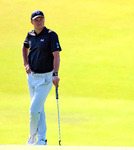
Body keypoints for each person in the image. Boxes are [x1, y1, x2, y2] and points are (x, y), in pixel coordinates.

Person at [22, 10, 62, 145]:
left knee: (33, 110)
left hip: (45, 79)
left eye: (41, 19)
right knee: (39, 109)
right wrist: (25, 63)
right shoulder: (30, 34)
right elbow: (24, 47)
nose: (40, 22)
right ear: (32, 22)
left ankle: (32, 136)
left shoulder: (51, 35)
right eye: (37, 20)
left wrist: (55, 74)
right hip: (31, 77)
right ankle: (42, 139)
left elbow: (56, 55)